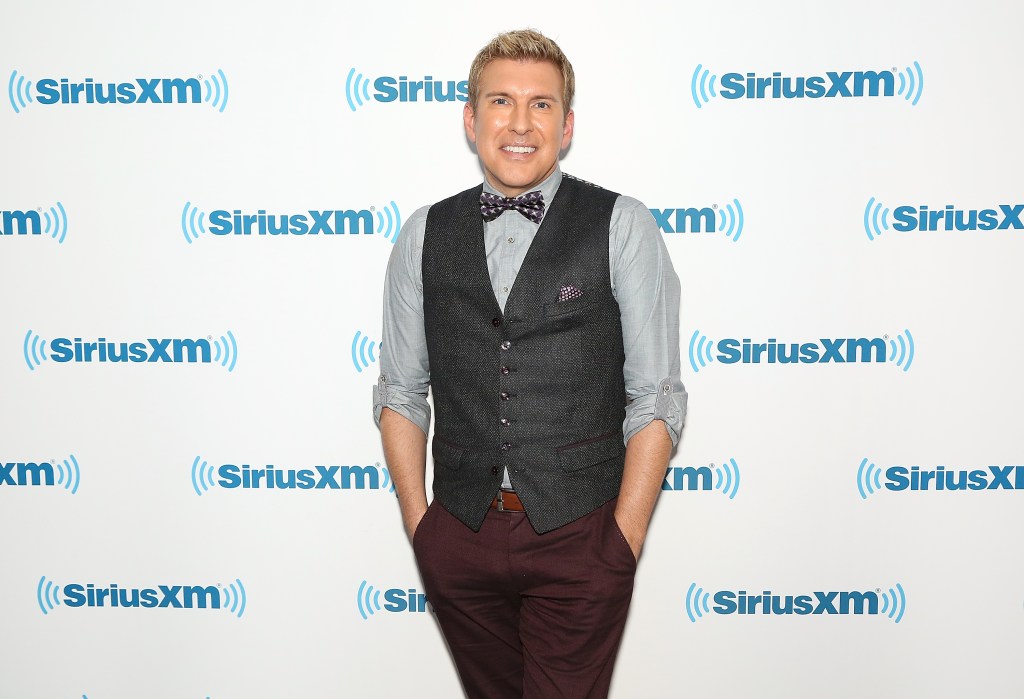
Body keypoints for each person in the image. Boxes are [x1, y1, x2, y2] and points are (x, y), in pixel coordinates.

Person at [373, 28, 685, 699]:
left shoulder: (623, 224)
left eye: (541, 105)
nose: (520, 123)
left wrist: (621, 539)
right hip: (459, 534)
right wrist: (422, 525)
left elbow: (656, 395)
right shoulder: (423, 232)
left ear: (567, 125)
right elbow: (401, 389)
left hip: (581, 536)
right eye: (501, 102)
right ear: (471, 118)